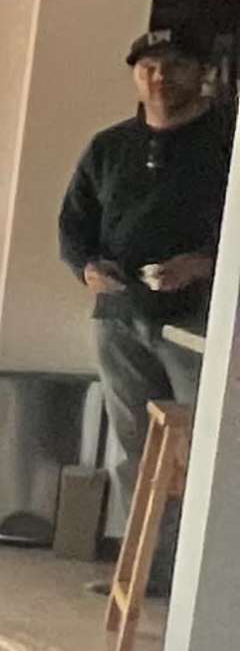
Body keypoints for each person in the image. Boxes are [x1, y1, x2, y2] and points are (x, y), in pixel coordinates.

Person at [59, 29, 227, 484]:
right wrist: (89, 268)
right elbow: (73, 225)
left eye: (174, 66)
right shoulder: (109, 147)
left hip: (200, 324)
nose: (159, 77)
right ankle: (144, 556)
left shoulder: (228, 145)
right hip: (119, 320)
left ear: (202, 73)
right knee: (135, 453)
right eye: (148, 67)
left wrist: (202, 266)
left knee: (204, 450)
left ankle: (188, 558)